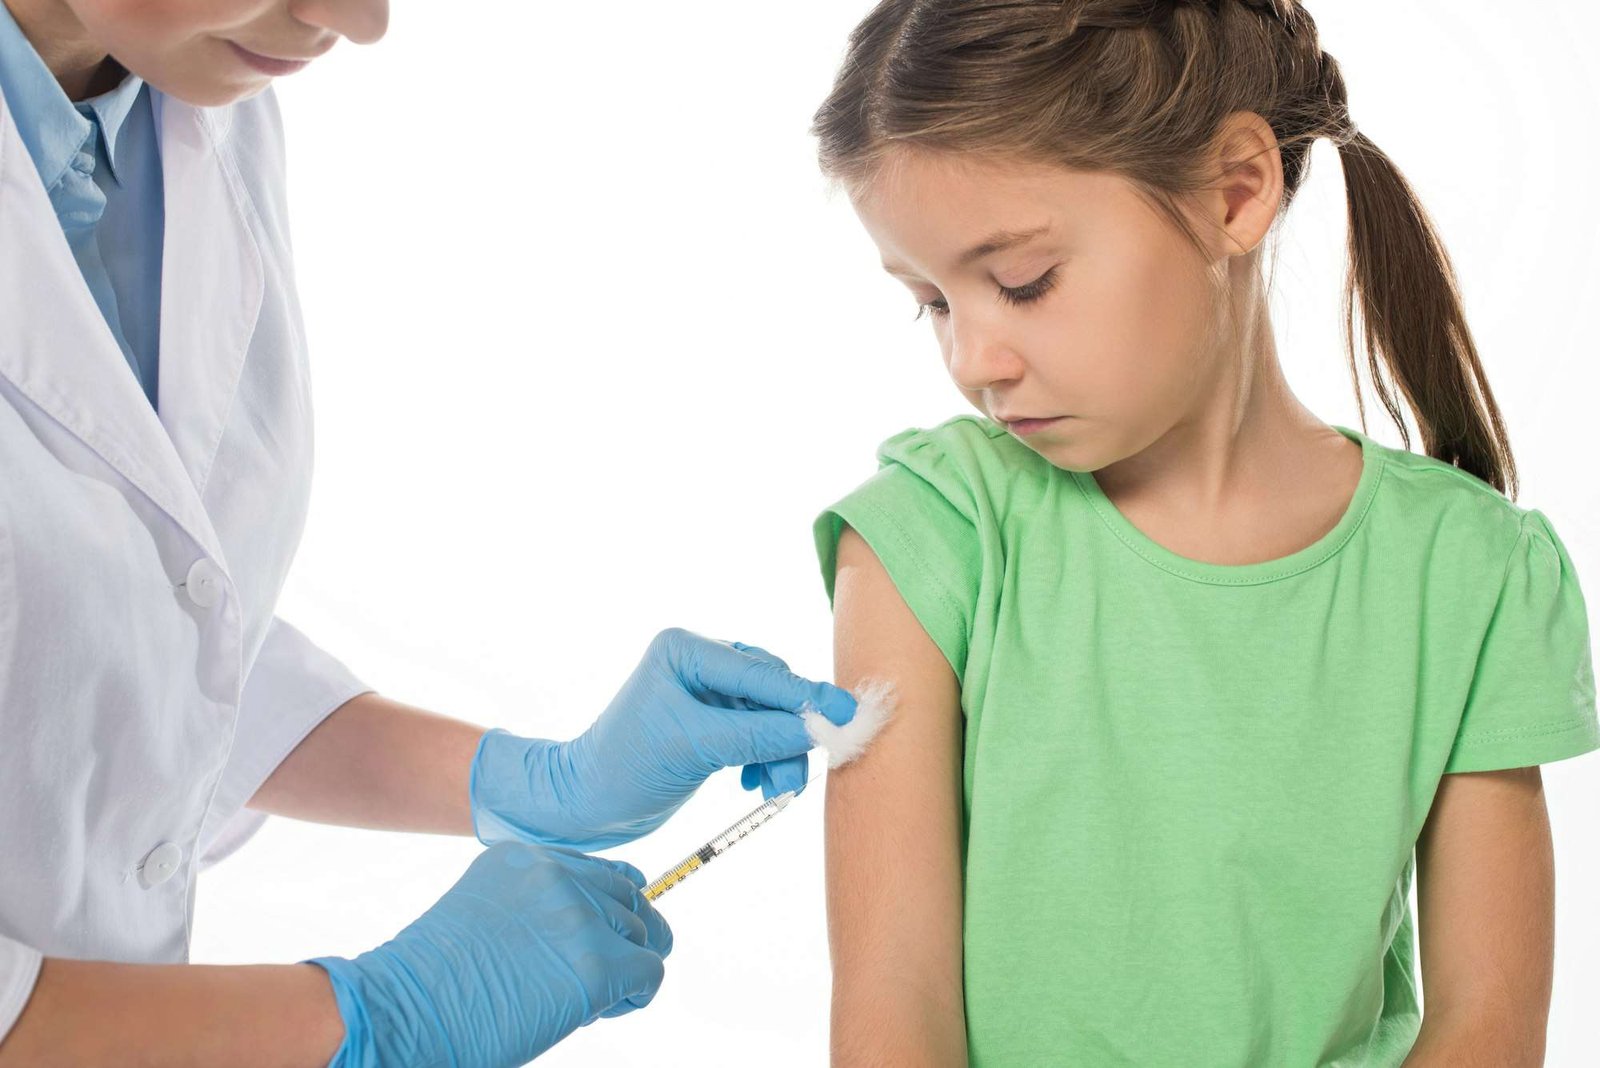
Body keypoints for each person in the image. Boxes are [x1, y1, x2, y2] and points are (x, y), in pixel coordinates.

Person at [0, 1, 857, 1065]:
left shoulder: (182, 96)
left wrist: (537, 782)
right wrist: (372, 1020)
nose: (358, 21)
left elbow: (139, 628)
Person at [805, 1, 1599, 1065]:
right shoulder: (932, 535)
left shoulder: (1468, 574)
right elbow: (892, 1001)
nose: (972, 360)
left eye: (1021, 282)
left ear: (1236, 189)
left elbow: (1488, 1023)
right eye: (933, 302)